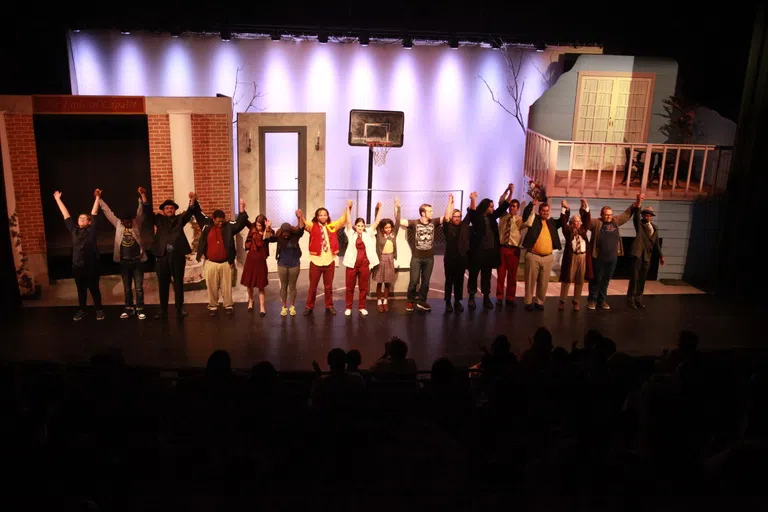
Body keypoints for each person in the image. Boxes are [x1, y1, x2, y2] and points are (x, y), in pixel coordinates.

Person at [144, 191, 199, 319]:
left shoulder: (180, 219)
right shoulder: (159, 219)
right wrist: (143, 197)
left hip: (177, 256)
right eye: (167, 208)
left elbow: (190, 211)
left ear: (174, 210)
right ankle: (163, 309)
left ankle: (180, 308)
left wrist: (192, 199)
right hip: (162, 256)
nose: (169, 210)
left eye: (171, 208)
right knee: (162, 284)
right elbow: (147, 212)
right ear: (163, 210)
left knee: (178, 283)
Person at [97, 187, 149, 320]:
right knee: (126, 288)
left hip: (137, 261)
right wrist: (99, 199)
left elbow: (141, 210)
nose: (128, 223)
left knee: (138, 288)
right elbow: (108, 212)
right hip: (124, 261)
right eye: (125, 221)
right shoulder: (118, 224)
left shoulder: (137, 223)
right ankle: (129, 308)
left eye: (129, 221)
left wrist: (142, 196)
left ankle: (140, 308)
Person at [53, 189, 104, 321]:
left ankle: (99, 309)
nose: (81, 219)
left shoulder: (91, 230)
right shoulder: (74, 230)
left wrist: (97, 198)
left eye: (84, 218)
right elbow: (66, 215)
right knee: (81, 290)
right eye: (79, 218)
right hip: (77, 266)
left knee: (94, 289)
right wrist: (58, 199)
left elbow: (94, 213)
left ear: (89, 222)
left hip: (92, 266)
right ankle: (82, 310)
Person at [193, 198, 248, 317]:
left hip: (225, 263)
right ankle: (213, 306)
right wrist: (193, 201)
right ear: (213, 219)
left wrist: (242, 210)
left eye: (222, 221)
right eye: (218, 221)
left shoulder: (228, 226)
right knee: (211, 286)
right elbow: (198, 213)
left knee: (227, 286)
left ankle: (228, 305)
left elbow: (240, 223)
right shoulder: (206, 225)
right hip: (210, 263)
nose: (221, 223)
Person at [586, 194, 641, 311]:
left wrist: (636, 202)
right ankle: (592, 300)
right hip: (598, 258)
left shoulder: (615, 221)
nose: (608, 217)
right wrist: (585, 209)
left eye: (610, 215)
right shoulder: (596, 223)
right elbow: (586, 220)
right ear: (601, 215)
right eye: (606, 215)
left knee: (606, 281)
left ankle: (602, 300)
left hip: (612, 259)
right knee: (596, 280)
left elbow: (626, 215)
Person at [302, 201, 352, 316]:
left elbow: (343, 219)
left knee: (328, 286)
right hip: (316, 261)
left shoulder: (332, 226)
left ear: (328, 216)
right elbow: (303, 224)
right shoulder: (312, 226)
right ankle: (309, 306)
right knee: (313, 286)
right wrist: (300, 216)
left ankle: (329, 306)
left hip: (329, 261)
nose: (323, 216)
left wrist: (348, 207)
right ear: (317, 216)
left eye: (325, 214)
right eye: (320, 215)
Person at [467, 186, 510, 310]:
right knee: (474, 275)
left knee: (486, 276)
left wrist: (510, 192)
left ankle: (486, 297)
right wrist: (473, 198)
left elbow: (503, 208)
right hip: (477, 252)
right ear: (486, 207)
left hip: (489, 252)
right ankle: (471, 297)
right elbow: (473, 212)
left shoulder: (492, 218)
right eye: (491, 206)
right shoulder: (478, 218)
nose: (493, 208)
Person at [400, 199, 447, 312]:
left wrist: (450, 201)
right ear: (423, 213)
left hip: (429, 258)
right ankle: (410, 301)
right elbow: (400, 221)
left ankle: (421, 301)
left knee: (426, 282)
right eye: (429, 211)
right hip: (416, 258)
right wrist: (397, 208)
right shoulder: (414, 223)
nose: (431, 213)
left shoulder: (434, 222)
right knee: (413, 282)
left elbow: (446, 217)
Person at [521, 198, 564, 311]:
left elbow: (563, 220)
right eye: (543, 210)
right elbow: (526, 215)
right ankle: (528, 302)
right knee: (530, 281)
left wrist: (564, 208)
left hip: (547, 257)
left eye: (547, 211)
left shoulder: (552, 223)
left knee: (543, 282)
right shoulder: (534, 219)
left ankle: (540, 302)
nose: (545, 212)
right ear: (539, 211)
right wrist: (531, 204)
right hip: (533, 256)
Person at [341, 202, 380, 317]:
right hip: (352, 264)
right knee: (350, 287)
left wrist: (380, 208)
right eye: (358, 226)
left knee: (363, 287)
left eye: (362, 226)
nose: (360, 228)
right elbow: (348, 221)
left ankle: (362, 307)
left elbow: (376, 222)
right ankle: (348, 307)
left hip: (364, 265)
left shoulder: (368, 234)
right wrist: (348, 207)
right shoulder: (350, 233)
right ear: (355, 226)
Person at [627, 198, 665, 309]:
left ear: (651, 216)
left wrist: (661, 256)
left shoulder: (654, 228)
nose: (647, 217)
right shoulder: (640, 225)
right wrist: (639, 205)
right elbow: (636, 217)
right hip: (638, 254)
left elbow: (656, 244)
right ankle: (630, 299)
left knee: (642, 279)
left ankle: (638, 299)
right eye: (646, 215)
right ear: (643, 215)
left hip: (647, 256)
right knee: (634, 278)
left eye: (649, 215)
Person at [558, 198, 592, 311]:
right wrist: (564, 208)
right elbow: (563, 222)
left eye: (578, 221)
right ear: (571, 223)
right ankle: (562, 301)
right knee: (567, 280)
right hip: (572, 257)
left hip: (582, 257)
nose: (577, 223)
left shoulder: (583, 230)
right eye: (575, 221)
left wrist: (585, 206)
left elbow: (587, 220)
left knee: (580, 281)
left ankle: (576, 302)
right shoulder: (568, 231)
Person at [441, 193, 471, 312]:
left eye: (459, 216)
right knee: (449, 281)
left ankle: (457, 301)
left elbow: (471, 213)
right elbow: (446, 216)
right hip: (450, 260)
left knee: (459, 281)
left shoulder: (464, 226)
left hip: (461, 259)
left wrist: (473, 199)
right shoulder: (447, 228)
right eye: (455, 216)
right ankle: (448, 302)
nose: (457, 218)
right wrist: (450, 202)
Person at [371, 199, 401, 313]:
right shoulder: (379, 234)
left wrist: (398, 208)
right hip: (381, 259)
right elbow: (376, 222)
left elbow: (397, 222)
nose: (388, 229)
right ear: (383, 228)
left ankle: (385, 301)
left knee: (388, 282)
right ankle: (379, 302)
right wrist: (377, 209)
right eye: (386, 227)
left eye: (389, 227)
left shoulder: (393, 234)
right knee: (380, 282)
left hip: (390, 259)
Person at [273, 210, 304, 317]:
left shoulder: (295, 236)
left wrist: (299, 217)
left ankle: (292, 306)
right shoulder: (279, 236)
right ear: (281, 231)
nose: (286, 235)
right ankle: (283, 307)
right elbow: (268, 238)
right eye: (284, 233)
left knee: (292, 286)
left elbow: (301, 229)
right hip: (282, 264)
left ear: (290, 231)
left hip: (294, 264)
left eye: (287, 233)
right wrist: (268, 228)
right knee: (283, 286)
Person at [496, 184, 523, 307]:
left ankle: (511, 297)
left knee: (512, 276)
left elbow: (529, 222)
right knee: (501, 275)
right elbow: (501, 201)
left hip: (514, 250)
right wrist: (508, 190)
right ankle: (499, 297)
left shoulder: (520, 220)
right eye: (511, 206)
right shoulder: (503, 215)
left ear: (517, 208)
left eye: (514, 206)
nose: (511, 208)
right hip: (502, 248)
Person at [241, 214, 274, 316]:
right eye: (257, 225)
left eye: (260, 225)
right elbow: (244, 220)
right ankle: (250, 301)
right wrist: (242, 210)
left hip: (260, 261)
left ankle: (262, 307)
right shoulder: (252, 228)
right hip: (250, 259)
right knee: (249, 283)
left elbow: (268, 238)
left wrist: (267, 228)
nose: (258, 227)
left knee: (261, 285)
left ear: (264, 224)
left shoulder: (268, 231)